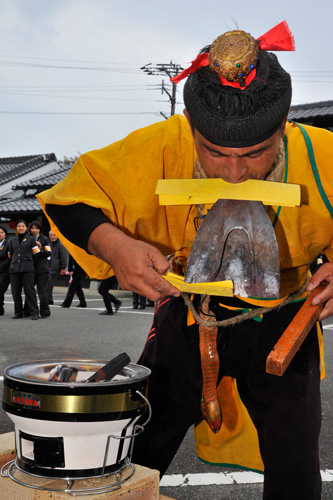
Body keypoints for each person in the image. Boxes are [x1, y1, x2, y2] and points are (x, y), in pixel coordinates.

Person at [37, 22, 333, 500]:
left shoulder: (323, 155)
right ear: (191, 127)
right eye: (214, 153)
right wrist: (115, 246)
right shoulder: (162, 143)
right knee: (138, 445)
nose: (235, 172)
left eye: (256, 154)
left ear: (283, 127)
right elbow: (70, 199)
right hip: (187, 312)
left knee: (295, 459)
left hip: (284, 318)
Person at [8, 220, 40, 320]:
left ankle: (34, 312)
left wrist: (29, 263)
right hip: (14, 269)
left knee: (29, 291)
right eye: (19, 226)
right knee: (15, 291)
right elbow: (10, 255)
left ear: (26, 228)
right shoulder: (12, 240)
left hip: (28, 269)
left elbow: (36, 254)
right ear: (16, 228)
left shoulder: (31, 239)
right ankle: (18, 312)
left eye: (23, 226)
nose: (21, 228)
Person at [26, 220, 51, 318]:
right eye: (32, 228)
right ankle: (28, 310)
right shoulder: (27, 239)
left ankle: (45, 311)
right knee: (29, 290)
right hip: (30, 268)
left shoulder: (45, 239)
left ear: (40, 229)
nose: (34, 230)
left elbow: (48, 253)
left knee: (42, 292)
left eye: (36, 228)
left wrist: (40, 249)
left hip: (42, 269)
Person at [47, 230, 68, 305]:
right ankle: (49, 298)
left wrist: (63, 267)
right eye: (51, 235)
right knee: (48, 283)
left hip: (55, 266)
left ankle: (49, 299)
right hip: (48, 265)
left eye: (54, 235)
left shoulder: (60, 244)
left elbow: (63, 257)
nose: (52, 237)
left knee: (49, 283)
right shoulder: (49, 243)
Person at [0, 226, 10, 316]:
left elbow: (9, 258)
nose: (0, 234)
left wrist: (1, 266)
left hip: (4, 271)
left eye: (1, 232)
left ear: (5, 235)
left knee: (0, 289)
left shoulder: (8, 244)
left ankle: (0, 308)